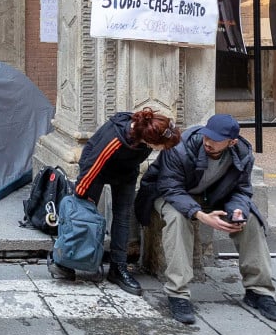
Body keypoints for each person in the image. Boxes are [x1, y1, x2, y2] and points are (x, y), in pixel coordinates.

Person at [135, 113, 276, 326]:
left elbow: (242, 191)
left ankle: (259, 291)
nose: (208, 142)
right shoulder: (180, 146)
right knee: (178, 218)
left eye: (216, 140)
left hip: (213, 196)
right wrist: (201, 215)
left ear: (231, 142)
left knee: (250, 219)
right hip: (167, 193)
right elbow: (170, 187)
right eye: (207, 136)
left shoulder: (243, 154)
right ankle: (178, 294)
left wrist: (237, 212)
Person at [49, 108, 180, 294]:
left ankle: (118, 268)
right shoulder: (116, 139)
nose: (164, 149)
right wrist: (81, 193)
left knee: (123, 216)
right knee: (81, 216)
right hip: (96, 169)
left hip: (126, 171)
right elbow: (93, 164)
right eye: (163, 146)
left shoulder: (145, 135)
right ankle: (66, 261)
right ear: (151, 140)